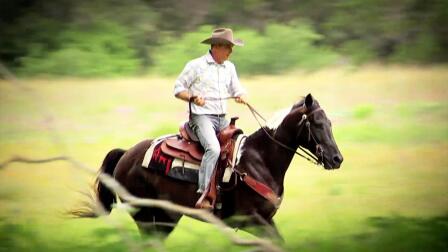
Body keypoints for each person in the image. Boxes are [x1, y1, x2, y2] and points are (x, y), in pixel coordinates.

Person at [173, 28, 247, 209]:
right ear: (216, 47)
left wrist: (240, 95)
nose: (231, 51)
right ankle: (204, 193)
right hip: (201, 117)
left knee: (240, 147)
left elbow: (236, 89)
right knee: (213, 149)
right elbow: (178, 88)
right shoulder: (195, 65)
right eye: (228, 47)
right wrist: (192, 97)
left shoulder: (230, 67)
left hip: (222, 118)